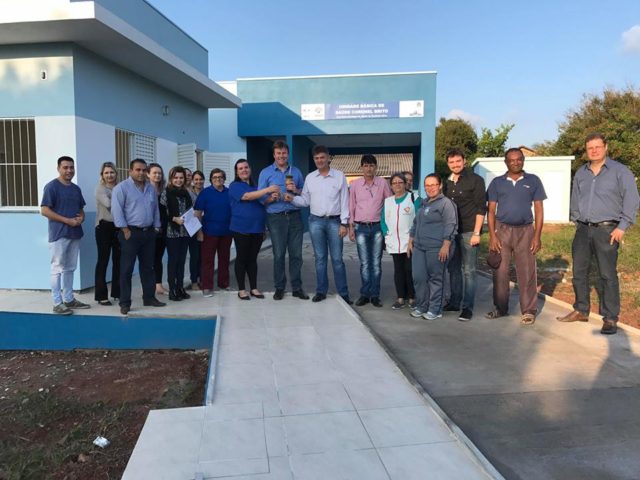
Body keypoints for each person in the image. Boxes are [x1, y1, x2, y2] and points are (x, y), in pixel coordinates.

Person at [557, 133, 640, 335]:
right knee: (579, 271)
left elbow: (632, 199)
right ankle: (581, 309)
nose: (594, 151)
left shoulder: (620, 171)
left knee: (607, 274)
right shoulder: (581, 173)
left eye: (597, 147)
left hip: (607, 230)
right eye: (590, 148)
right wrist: (577, 220)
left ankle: (610, 317)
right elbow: (575, 198)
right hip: (583, 229)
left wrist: (622, 227)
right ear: (586, 150)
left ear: (606, 147)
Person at [486, 148, 546, 325]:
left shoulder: (533, 180)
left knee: (527, 271)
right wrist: (492, 236)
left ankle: (528, 310)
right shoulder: (497, 183)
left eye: (519, 159)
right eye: (511, 160)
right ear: (506, 162)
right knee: (500, 271)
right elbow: (491, 211)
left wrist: (537, 236)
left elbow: (539, 209)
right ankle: (500, 308)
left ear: (523, 160)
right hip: (502, 231)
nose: (515, 162)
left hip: (525, 231)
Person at [286, 145, 352, 304]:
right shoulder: (310, 178)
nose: (319, 160)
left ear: (328, 158)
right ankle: (321, 291)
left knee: (337, 260)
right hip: (315, 222)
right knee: (320, 259)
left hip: (335, 222)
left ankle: (343, 294)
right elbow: (305, 201)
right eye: (316, 158)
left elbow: (345, 200)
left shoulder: (339, 176)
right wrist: (292, 199)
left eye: (322, 157)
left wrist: (344, 223)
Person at [112, 158, 166, 315]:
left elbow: (155, 209)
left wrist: (156, 227)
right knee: (126, 269)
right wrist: (124, 229)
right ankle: (125, 302)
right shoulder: (121, 188)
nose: (141, 173)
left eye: (144, 170)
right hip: (130, 233)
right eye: (138, 170)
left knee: (148, 267)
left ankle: (149, 297)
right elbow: (117, 210)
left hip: (148, 233)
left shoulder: (150, 188)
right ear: (130, 171)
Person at [258, 140, 308, 300]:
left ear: (288, 154)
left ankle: (297, 288)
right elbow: (260, 198)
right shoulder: (265, 172)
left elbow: (305, 194)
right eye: (278, 153)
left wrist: (296, 190)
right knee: (279, 254)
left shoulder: (296, 171)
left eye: (284, 153)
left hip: (294, 216)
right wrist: (270, 199)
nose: (281, 156)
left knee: (296, 255)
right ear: (274, 155)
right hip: (275, 218)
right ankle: (279, 287)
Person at [40, 156, 90, 315]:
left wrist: (81, 218)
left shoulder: (76, 189)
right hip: (59, 234)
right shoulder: (51, 187)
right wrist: (67, 221)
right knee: (57, 268)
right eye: (65, 167)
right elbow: (44, 210)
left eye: (71, 167)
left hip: (75, 233)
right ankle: (57, 303)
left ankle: (69, 299)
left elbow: (81, 209)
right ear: (58, 168)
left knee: (70, 268)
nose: (69, 170)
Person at [442, 148, 487, 321]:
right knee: (453, 269)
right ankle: (455, 302)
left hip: (469, 232)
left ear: (464, 161)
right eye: (451, 162)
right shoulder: (446, 183)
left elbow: (481, 208)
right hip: (452, 233)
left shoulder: (476, 180)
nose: (455, 164)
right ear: (448, 164)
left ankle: (467, 308)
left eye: (458, 161)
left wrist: (477, 232)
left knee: (469, 271)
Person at [408, 173, 458, 320]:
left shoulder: (446, 204)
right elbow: (416, 222)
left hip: (437, 247)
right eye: (427, 185)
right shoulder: (424, 203)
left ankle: (435, 309)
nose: (430, 188)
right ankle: (422, 306)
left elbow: (451, 225)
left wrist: (446, 245)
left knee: (436, 279)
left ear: (440, 185)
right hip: (419, 247)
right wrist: (411, 240)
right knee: (419, 277)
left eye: (433, 184)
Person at [230, 159, 280, 300]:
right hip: (241, 228)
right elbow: (247, 197)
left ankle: (254, 288)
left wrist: (271, 198)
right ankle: (241, 289)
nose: (244, 170)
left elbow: (262, 201)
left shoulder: (255, 187)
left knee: (252, 259)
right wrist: (268, 190)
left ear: (250, 169)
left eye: (246, 167)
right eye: (240, 168)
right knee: (242, 259)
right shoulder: (234, 186)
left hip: (257, 228)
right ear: (236, 172)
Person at [348, 154, 392, 307]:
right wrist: (351, 227)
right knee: (365, 263)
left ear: (376, 167)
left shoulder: (383, 183)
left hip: (377, 228)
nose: (369, 168)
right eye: (366, 165)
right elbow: (351, 206)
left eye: (371, 165)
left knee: (376, 263)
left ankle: (375, 295)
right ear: (361, 167)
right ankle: (365, 294)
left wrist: (388, 228)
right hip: (360, 228)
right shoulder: (355, 184)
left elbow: (389, 204)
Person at [382, 172, 419, 310]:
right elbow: (382, 220)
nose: (397, 185)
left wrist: (413, 237)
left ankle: (412, 297)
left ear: (405, 184)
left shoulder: (414, 199)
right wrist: (386, 233)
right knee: (398, 270)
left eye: (400, 182)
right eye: (394, 183)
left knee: (409, 270)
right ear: (391, 186)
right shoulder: (388, 201)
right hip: (394, 241)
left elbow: (419, 219)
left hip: (410, 241)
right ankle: (400, 298)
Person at [194, 168, 232, 297]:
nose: (218, 179)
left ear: (224, 178)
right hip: (209, 232)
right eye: (215, 177)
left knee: (224, 260)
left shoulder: (229, 192)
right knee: (208, 261)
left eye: (220, 177)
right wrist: (199, 232)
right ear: (211, 179)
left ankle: (223, 284)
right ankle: (207, 287)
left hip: (227, 232)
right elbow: (197, 214)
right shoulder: (205, 193)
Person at [160, 166, 193, 301]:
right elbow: (162, 213)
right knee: (173, 261)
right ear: (171, 178)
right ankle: (172, 289)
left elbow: (190, 210)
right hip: (172, 232)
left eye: (181, 178)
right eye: (176, 178)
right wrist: (174, 219)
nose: (178, 180)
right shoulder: (166, 192)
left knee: (181, 261)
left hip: (185, 232)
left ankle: (180, 287)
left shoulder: (186, 193)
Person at [94, 161, 121, 306]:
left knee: (119, 261)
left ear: (116, 173)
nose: (109, 175)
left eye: (112, 172)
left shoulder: (120, 187)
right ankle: (101, 295)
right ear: (102, 175)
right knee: (103, 261)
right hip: (104, 227)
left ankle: (118, 292)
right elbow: (109, 204)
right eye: (106, 173)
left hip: (119, 227)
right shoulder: (100, 188)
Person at [148, 163, 168, 296]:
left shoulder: (164, 191)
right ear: (148, 174)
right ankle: (148, 286)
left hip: (163, 229)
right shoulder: (144, 190)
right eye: (154, 173)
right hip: (149, 229)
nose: (157, 175)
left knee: (158, 258)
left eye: (159, 173)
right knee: (148, 259)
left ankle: (158, 285)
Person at [187, 170, 205, 290]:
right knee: (195, 256)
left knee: (204, 256)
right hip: (193, 228)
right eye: (196, 179)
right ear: (193, 181)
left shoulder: (207, 192)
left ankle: (202, 279)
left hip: (206, 228)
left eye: (200, 179)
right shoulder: (189, 194)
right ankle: (194, 281)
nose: (198, 181)